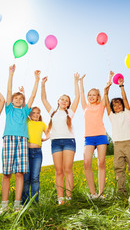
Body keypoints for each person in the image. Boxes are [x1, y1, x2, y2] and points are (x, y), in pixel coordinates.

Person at [0, 65, 40, 213]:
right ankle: (4, 206)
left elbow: (33, 96)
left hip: (22, 140)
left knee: (19, 173)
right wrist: (11, 74)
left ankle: (17, 205)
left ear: (23, 102)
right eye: (15, 98)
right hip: (9, 139)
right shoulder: (9, 108)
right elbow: (9, 91)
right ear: (12, 100)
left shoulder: (24, 111)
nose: (17, 99)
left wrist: (36, 80)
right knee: (7, 173)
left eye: (20, 98)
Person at [41, 73, 80, 205]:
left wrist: (76, 81)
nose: (64, 101)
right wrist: (42, 84)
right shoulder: (52, 112)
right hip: (55, 143)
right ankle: (60, 199)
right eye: (62, 99)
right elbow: (43, 99)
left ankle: (69, 198)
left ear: (68, 104)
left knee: (68, 169)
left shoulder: (70, 113)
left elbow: (77, 97)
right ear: (58, 101)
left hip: (69, 142)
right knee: (59, 171)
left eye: (66, 100)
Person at [104, 71, 130, 194]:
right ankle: (121, 192)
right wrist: (106, 91)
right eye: (114, 105)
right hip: (118, 145)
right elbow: (106, 104)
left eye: (119, 104)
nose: (117, 106)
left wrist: (121, 86)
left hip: (129, 143)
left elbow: (125, 98)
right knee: (119, 169)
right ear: (112, 108)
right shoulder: (111, 116)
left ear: (123, 105)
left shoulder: (127, 112)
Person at [79, 74, 109, 199]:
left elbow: (106, 92)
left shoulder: (101, 105)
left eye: (94, 95)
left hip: (101, 136)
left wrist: (108, 81)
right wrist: (80, 81)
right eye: (89, 95)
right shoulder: (85, 106)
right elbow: (81, 93)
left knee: (101, 163)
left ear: (98, 97)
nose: (91, 96)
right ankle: (93, 193)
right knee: (87, 162)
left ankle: (101, 193)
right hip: (89, 138)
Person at [22, 106, 49, 204]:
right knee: (26, 178)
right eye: (33, 112)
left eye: (38, 113)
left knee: (35, 178)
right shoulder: (27, 122)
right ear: (29, 114)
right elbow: (25, 108)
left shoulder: (42, 124)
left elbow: (48, 134)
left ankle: (34, 202)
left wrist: (44, 139)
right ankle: (25, 202)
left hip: (37, 152)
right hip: (26, 151)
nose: (36, 114)